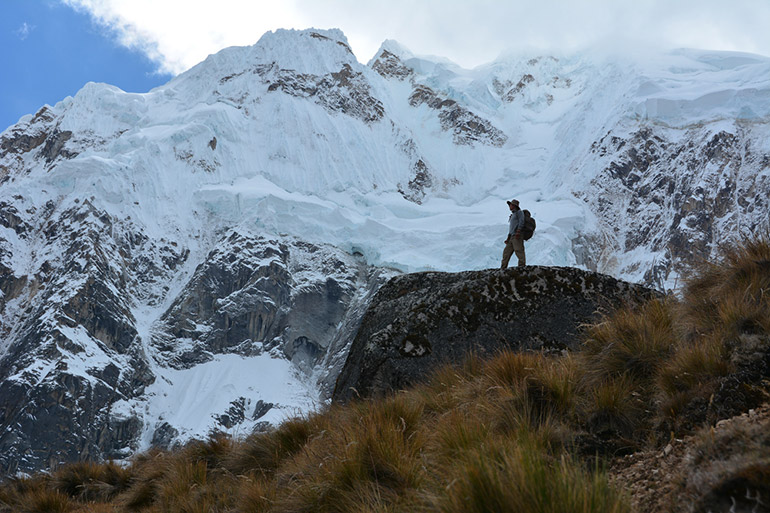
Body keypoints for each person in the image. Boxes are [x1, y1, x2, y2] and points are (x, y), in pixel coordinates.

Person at [501, 199, 526, 269]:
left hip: (517, 235)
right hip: (511, 236)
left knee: (519, 250)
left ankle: (522, 266)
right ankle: (503, 268)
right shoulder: (513, 215)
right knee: (506, 252)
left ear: (514, 206)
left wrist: (518, 231)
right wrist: (508, 238)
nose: (509, 206)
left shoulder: (519, 212)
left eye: (511, 205)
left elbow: (521, 221)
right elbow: (512, 227)